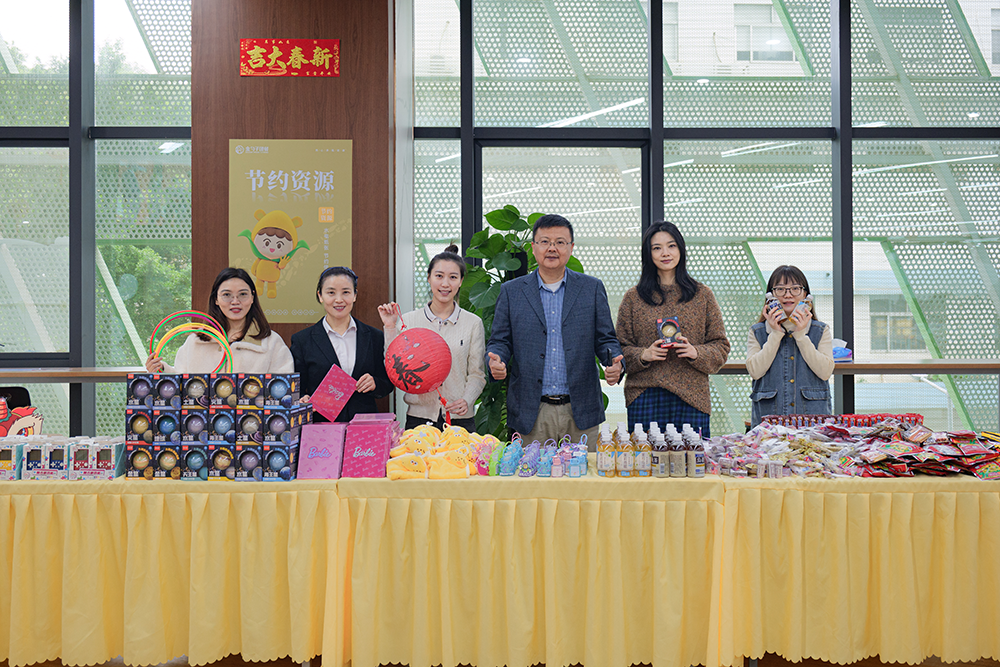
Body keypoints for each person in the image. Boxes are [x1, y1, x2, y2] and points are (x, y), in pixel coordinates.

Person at [486, 214, 623, 445]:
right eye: (545, 242)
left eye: (560, 242)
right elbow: (500, 341)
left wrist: (614, 362)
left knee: (584, 469)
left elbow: (606, 339)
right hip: (532, 410)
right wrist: (496, 360)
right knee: (531, 469)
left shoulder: (591, 288)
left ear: (571, 248)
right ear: (533, 247)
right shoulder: (512, 291)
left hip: (580, 410)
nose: (552, 248)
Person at [615, 221, 730, 435]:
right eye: (657, 248)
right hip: (644, 395)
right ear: (648, 254)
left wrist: (696, 352)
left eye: (671, 245)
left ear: (681, 249)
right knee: (646, 457)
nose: (665, 253)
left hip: (692, 396)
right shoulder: (633, 297)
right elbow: (619, 349)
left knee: (691, 457)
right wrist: (644, 355)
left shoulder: (702, 295)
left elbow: (721, 346)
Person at [377, 245, 486, 431]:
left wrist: (467, 400)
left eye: (453, 277)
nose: (445, 284)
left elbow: (477, 374)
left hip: (460, 419)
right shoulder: (409, 321)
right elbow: (393, 365)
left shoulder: (472, 323)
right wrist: (389, 327)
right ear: (429, 278)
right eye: (439, 276)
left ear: (461, 281)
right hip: (419, 419)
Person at [145, 267, 293, 374]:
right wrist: (161, 369)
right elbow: (182, 382)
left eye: (243, 294)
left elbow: (282, 388)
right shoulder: (195, 341)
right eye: (227, 295)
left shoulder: (271, 342)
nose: (235, 301)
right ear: (216, 299)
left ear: (252, 297)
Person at [291, 267, 393, 422]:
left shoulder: (374, 336)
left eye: (346, 292)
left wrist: (375, 383)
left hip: (364, 425)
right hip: (322, 427)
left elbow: (387, 383)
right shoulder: (302, 340)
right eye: (331, 293)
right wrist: (302, 399)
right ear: (320, 296)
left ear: (355, 295)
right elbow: (297, 389)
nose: (339, 300)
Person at [746, 265, 834, 426]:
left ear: (805, 295)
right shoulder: (757, 331)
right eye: (780, 289)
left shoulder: (821, 330)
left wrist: (800, 335)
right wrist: (775, 334)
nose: (788, 295)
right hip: (769, 427)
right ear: (771, 296)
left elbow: (825, 372)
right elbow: (755, 371)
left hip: (812, 426)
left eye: (795, 289)